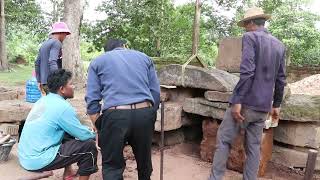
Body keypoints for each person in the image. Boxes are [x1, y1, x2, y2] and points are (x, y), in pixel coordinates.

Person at [209, 7, 286, 180]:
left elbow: (247, 72)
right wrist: (276, 105)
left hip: (245, 104)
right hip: (262, 107)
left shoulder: (250, 37)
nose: (244, 27)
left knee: (223, 141)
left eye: (245, 24)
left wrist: (237, 101)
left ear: (251, 22)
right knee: (253, 148)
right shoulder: (279, 45)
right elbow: (281, 79)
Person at [85, 39, 160, 180]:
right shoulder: (144, 57)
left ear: (106, 51)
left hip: (115, 115)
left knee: (112, 166)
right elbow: (155, 92)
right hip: (144, 113)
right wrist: (150, 113)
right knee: (144, 161)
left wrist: (99, 125)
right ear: (124, 46)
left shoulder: (98, 61)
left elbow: (92, 99)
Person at [18, 69, 98, 180]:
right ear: (62, 89)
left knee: (67, 132)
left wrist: (87, 131)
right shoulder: (63, 107)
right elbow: (83, 135)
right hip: (37, 160)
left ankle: (68, 173)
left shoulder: (43, 100)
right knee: (89, 147)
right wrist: (97, 133)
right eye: (71, 84)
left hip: (25, 157)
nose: (74, 87)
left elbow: (76, 129)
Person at [35, 22, 71, 95]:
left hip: (44, 82)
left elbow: (37, 63)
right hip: (52, 82)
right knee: (57, 103)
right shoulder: (56, 43)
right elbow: (52, 61)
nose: (65, 36)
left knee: (49, 102)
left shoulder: (44, 44)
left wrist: (39, 80)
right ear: (61, 32)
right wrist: (57, 80)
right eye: (65, 34)